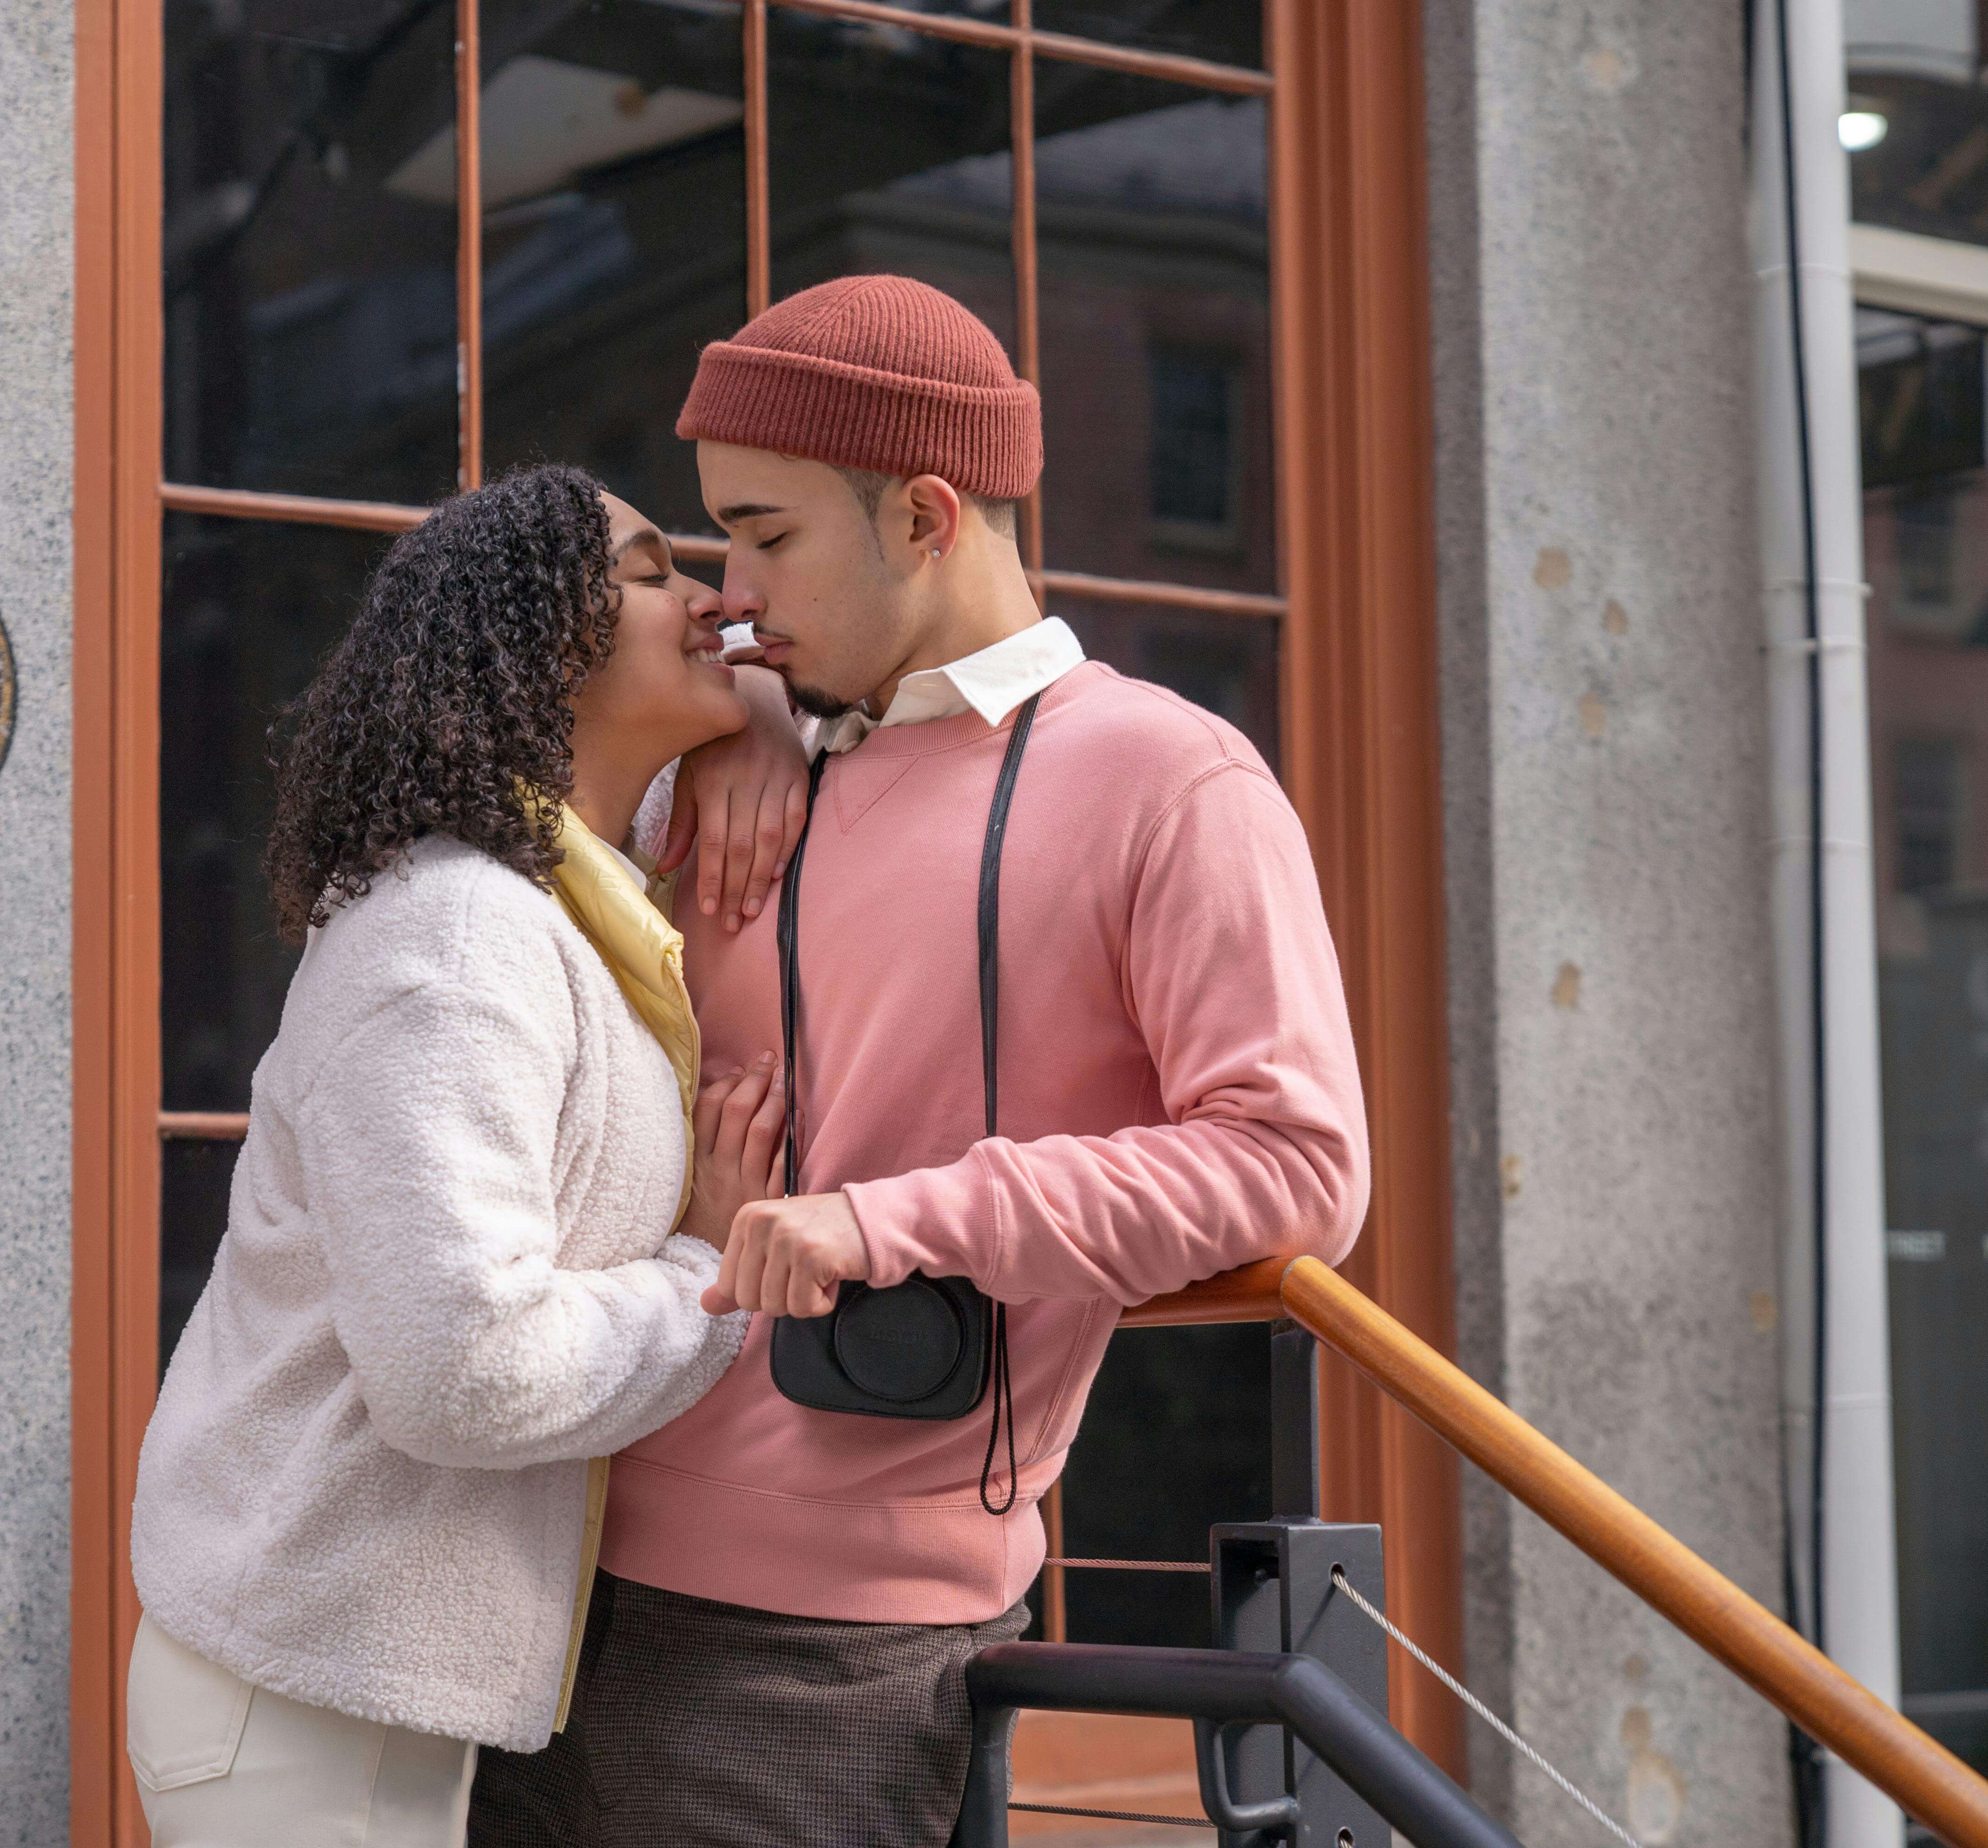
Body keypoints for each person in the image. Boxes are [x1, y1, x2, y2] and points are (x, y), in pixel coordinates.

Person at [468, 276, 1373, 1845]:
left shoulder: (1171, 783)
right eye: (718, 542)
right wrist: (748, 713)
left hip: (826, 1650)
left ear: (926, 517)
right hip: (539, 1575)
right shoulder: (734, 760)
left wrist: (890, 1220)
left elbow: (1295, 1167)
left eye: (768, 535)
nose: (734, 593)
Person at [124, 466, 797, 1847]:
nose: (710, 599)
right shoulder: (456, 940)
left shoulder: (562, 905)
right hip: (300, 1712)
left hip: (362, 1692)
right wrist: (703, 1280)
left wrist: (770, 723)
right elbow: (460, 1373)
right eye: (652, 572)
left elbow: (726, 760)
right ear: (538, 640)